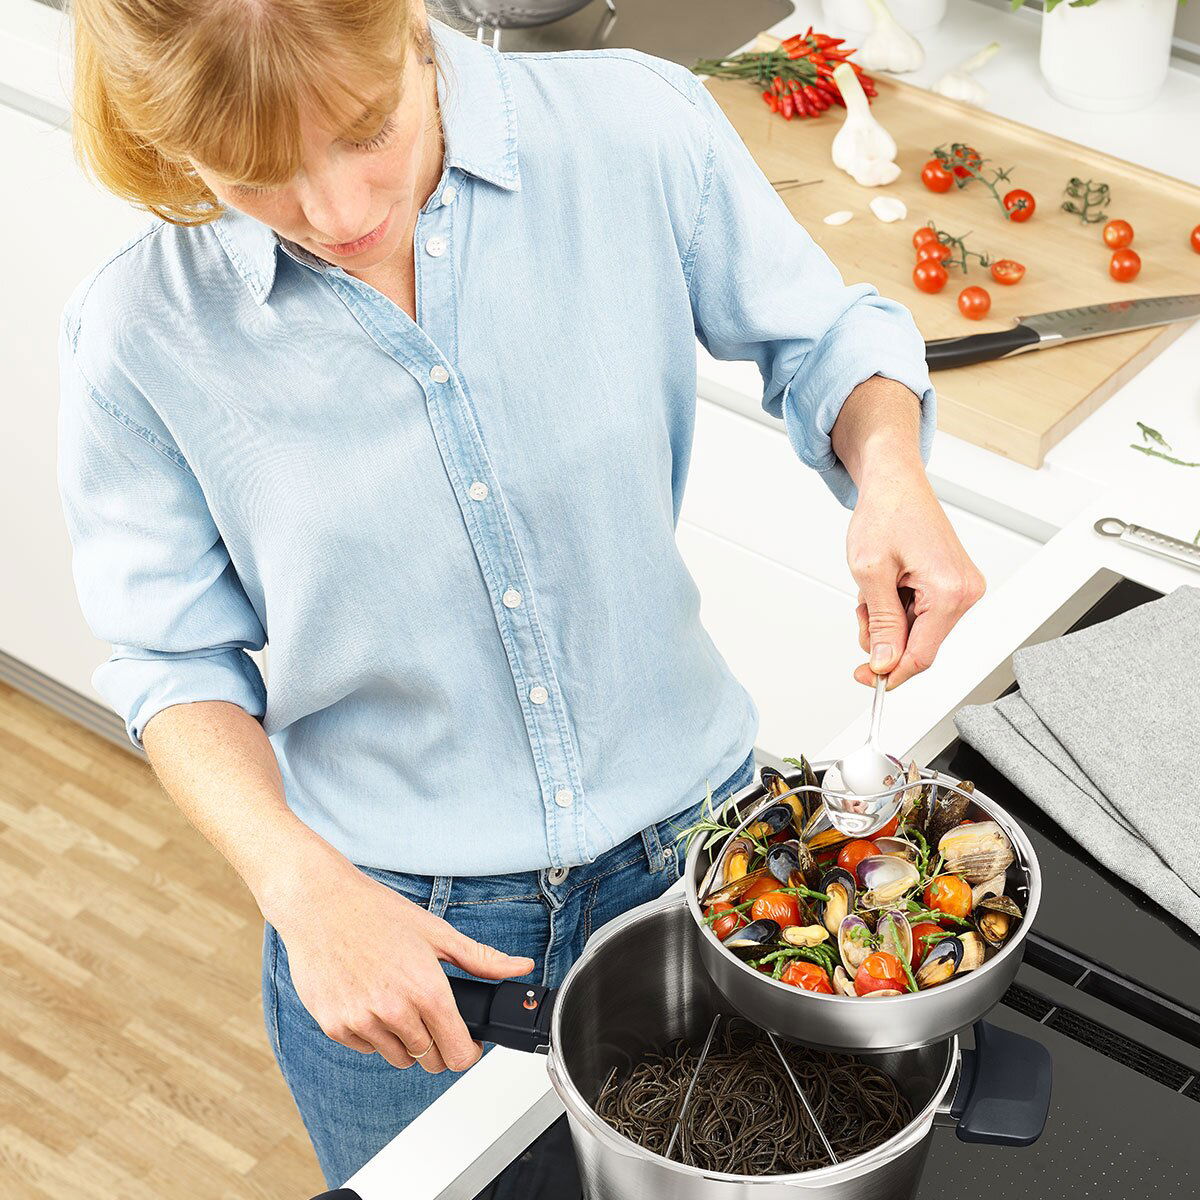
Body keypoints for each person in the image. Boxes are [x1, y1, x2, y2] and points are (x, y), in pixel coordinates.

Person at [58, 0, 984, 1186]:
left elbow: (822, 335)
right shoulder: (141, 329)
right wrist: (300, 885)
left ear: (406, 28)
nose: (339, 213)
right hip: (391, 936)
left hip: (702, 875)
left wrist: (892, 474)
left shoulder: (631, 130)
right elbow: (171, 663)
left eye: (363, 129)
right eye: (255, 177)